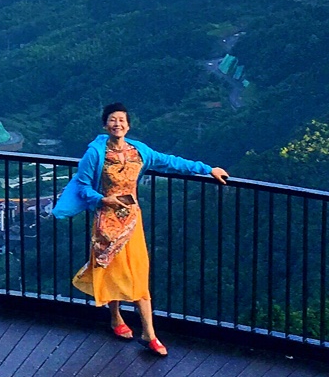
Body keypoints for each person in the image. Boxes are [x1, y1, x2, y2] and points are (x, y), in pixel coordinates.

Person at [51, 102, 226, 357]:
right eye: (112, 119)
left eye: (121, 119)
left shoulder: (139, 151)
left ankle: (149, 333)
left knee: (138, 273)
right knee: (112, 269)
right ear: (105, 125)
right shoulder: (96, 153)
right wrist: (102, 199)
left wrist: (207, 169)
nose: (117, 123)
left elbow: (170, 162)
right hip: (106, 222)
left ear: (128, 125)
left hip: (132, 221)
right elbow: (83, 186)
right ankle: (115, 317)